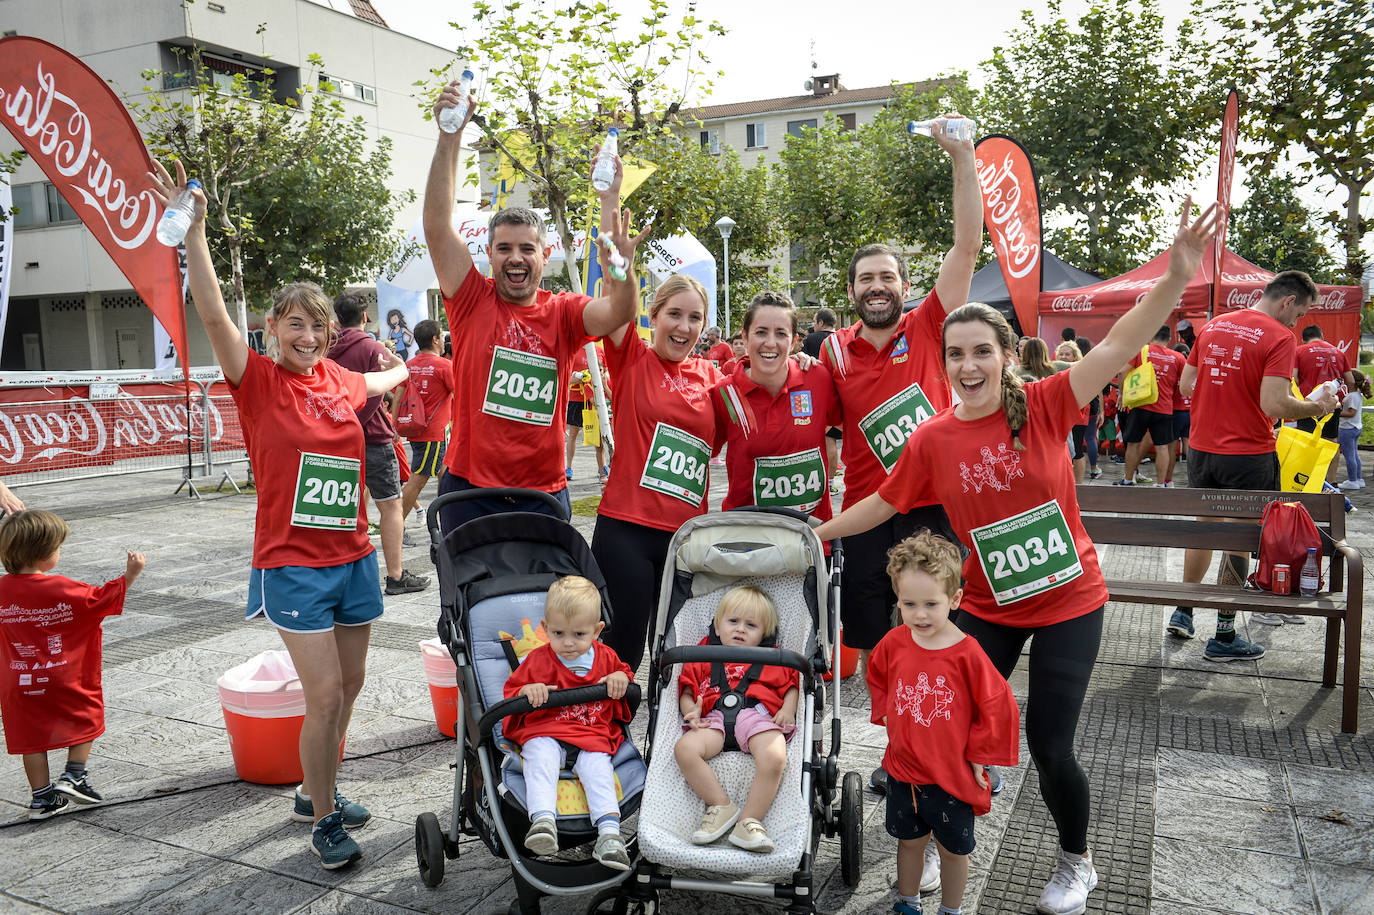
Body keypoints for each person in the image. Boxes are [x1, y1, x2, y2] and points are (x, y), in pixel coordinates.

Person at [817, 197, 1219, 915]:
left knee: (1048, 742)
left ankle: (1078, 860)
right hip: (987, 607)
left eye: (983, 351)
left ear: (1007, 357)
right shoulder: (933, 438)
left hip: (1069, 600)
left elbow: (1122, 343)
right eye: (956, 355)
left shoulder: (1048, 403)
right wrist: (813, 535)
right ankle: (937, 856)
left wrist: (1174, 275)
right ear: (943, 365)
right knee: (936, 729)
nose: (969, 365)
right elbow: (881, 504)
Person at [150, 158, 410, 870]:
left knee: (350, 686)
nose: (308, 337)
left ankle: (312, 787)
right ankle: (324, 815)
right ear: (272, 327)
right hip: (293, 564)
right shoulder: (256, 380)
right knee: (322, 694)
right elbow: (208, 310)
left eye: (317, 327)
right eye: (295, 324)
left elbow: (379, 380)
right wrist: (193, 233)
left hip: (354, 555)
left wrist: (410, 367)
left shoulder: (339, 378)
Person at [817, 115, 981, 815]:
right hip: (864, 514)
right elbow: (812, 428)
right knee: (873, 647)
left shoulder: (929, 325)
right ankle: (901, 744)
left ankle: (936, 755)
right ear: (852, 290)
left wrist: (962, 157)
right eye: (865, 278)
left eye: (887, 276)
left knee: (934, 637)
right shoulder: (832, 353)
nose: (877, 285)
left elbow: (968, 243)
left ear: (906, 285)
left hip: (933, 510)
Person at [423, 81, 642, 533]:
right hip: (469, 491)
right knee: (470, 603)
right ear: (489, 253)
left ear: (546, 254)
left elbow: (618, 312)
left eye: (527, 248)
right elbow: (437, 225)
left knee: (550, 605)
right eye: (504, 248)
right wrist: (450, 136)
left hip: (542, 493)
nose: (516, 258)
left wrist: (613, 226)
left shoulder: (562, 312)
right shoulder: (470, 299)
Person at [1171, 270, 1340, 654]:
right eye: (1300, 313)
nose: (1297, 322)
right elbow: (1274, 404)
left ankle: (1183, 610)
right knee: (1239, 539)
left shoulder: (1214, 326)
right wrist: (1319, 405)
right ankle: (1225, 635)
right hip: (1248, 454)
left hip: (1202, 450)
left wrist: (1224, 398)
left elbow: (1186, 385)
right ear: (1287, 302)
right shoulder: (1280, 336)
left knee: (1205, 531)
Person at [869, 532, 1019, 915]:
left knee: (953, 850)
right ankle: (908, 902)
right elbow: (878, 674)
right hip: (904, 770)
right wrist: (885, 709)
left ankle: (951, 910)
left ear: (955, 600)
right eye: (909, 603)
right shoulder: (894, 642)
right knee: (909, 843)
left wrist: (979, 756)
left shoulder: (967, 653)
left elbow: (998, 704)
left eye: (931, 604)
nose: (919, 614)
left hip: (950, 774)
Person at [593, 276, 725, 673]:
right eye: (674, 314)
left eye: (694, 318)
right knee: (622, 654)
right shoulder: (631, 356)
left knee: (679, 659)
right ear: (653, 316)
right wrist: (617, 257)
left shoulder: (714, 377)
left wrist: (800, 360)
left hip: (685, 539)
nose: (684, 326)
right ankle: (610, 731)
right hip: (626, 533)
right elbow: (616, 298)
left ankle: (670, 733)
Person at [0, 510, 146, 820]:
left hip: (19, 682)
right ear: (45, 554)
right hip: (63, 676)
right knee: (85, 715)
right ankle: (75, 775)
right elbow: (101, 599)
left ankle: (42, 800)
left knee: (29, 738)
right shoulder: (63, 588)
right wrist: (130, 574)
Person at [501, 575, 633, 870]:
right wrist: (527, 691)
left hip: (591, 735)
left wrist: (620, 678)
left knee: (599, 771)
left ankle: (609, 835)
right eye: (558, 633)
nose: (568, 643)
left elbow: (625, 674)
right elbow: (511, 693)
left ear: (597, 631)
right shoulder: (537, 661)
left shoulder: (607, 658)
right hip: (547, 730)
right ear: (545, 628)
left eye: (579, 634)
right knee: (540, 757)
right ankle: (543, 820)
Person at [674, 585, 799, 855]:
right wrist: (690, 711)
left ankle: (749, 821)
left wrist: (788, 709)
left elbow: (791, 685)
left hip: (757, 716)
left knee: (775, 755)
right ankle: (720, 805)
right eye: (733, 622)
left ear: (764, 634)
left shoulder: (773, 657)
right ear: (717, 627)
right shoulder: (704, 652)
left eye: (750, 625)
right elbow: (687, 687)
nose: (740, 629)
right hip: (713, 717)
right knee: (684, 749)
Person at [328, 293, 429, 595]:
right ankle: (396, 576)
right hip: (372, 438)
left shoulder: (325, 348)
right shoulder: (373, 348)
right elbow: (373, 396)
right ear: (364, 317)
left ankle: (338, 574)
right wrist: (358, 423)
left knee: (338, 508)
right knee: (391, 506)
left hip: (334, 440)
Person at [713, 292, 841, 524]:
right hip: (748, 542)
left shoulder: (818, 378)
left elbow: (847, 427)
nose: (770, 342)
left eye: (781, 334)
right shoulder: (724, 394)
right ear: (745, 337)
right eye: (761, 332)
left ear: (793, 341)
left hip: (813, 540)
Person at [395, 319, 455, 523]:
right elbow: (462, 395)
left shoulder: (409, 365)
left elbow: (398, 395)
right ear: (435, 339)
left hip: (415, 429)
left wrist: (394, 426)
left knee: (443, 473)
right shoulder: (444, 366)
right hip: (434, 433)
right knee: (418, 480)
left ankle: (445, 518)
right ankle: (396, 523)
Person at [1115, 326, 1184, 489]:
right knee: (1162, 447)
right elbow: (1183, 384)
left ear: (1151, 336)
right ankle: (1161, 484)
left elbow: (1121, 372)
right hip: (1165, 408)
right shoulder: (1178, 357)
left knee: (1133, 443)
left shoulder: (1141, 351)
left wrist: (1122, 394)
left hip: (1140, 404)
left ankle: (1128, 479)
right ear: (1169, 340)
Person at [1294, 324, 1355, 481]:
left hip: (1307, 405)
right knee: (1331, 442)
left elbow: (1293, 378)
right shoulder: (1339, 353)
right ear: (1322, 336)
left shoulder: (1299, 351)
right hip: (1332, 405)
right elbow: (1350, 381)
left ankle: (1307, 480)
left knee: (1307, 443)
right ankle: (1332, 481)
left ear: (1303, 338)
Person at [564, 342, 610, 485]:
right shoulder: (572, 348)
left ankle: (602, 468)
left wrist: (600, 377)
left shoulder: (598, 350)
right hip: (576, 398)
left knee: (597, 437)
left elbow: (606, 370)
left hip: (595, 398)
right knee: (573, 433)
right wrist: (578, 377)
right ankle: (568, 467)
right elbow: (566, 376)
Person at [1338, 370, 1369, 490]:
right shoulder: (1356, 395)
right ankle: (1358, 478)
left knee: (1350, 456)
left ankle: (1352, 481)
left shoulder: (1351, 396)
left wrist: (1337, 413)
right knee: (1355, 455)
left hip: (1347, 429)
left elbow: (1351, 413)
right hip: (1356, 427)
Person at [1171, 343, 1192, 467]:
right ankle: (1191, 470)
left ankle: (1168, 471)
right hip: (1189, 412)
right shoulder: (1193, 371)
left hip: (1176, 411)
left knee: (1172, 443)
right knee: (1187, 442)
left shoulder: (1175, 371)